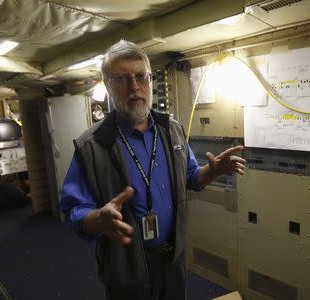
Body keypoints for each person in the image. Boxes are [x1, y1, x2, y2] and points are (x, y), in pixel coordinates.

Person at [60, 40, 246, 300]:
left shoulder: (171, 129)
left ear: (149, 79)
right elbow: (73, 210)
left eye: (141, 77)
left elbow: (191, 177)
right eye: (122, 78)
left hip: (174, 259)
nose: (134, 87)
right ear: (109, 85)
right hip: (127, 267)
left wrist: (212, 172)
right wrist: (97, 220)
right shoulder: (92, 145)